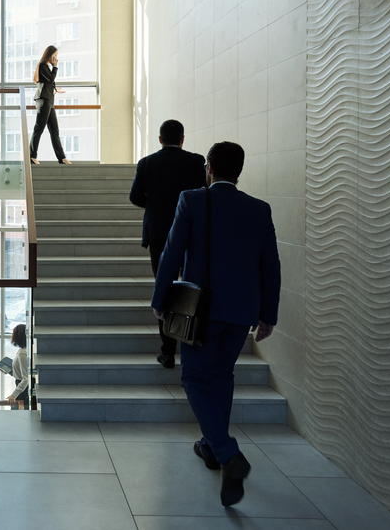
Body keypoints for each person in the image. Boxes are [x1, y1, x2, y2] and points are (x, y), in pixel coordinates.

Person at [150, 141, 281, 507]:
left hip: (202, 311)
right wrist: (268, 314)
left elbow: (171, 253)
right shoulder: (259, 209)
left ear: (209, 167)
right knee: (222, 376)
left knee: (193, 378)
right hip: (241, 313)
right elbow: (270, 264)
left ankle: (228, 454)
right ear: (239, 170)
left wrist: (160, 300)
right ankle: (210, 447)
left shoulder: (192, 200)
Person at [128, 120, 206, 369]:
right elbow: (204, 193)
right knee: (194, 286)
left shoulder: (147, 163)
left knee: (166, 286)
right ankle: (194, 341)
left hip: (160, 234)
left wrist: (156, 206)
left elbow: (135, 197)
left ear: (160, 139)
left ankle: (168, 351)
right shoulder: (195, 161)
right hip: (191, 234)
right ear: (183, 139)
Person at [29, 45, 70, 165]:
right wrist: (55, 67)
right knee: (39, 128)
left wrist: (55, 89)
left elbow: (48, 82)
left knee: (54, 130)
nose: (56, 58)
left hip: (49, 101)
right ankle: (32, 156)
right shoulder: (43, 65)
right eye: (54, 56)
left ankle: (62, 158)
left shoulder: (45, 66)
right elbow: (50, 79)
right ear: (49, 55)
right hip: (44, 100)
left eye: (56, 56)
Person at [6, 324, 30, 409]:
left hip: (22, 389)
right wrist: (10, 371)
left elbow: (26, 378)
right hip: (22, 387)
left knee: (17, 413)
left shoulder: (22, 353)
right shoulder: (24, 350)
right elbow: (22, 371)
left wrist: (14, 395)